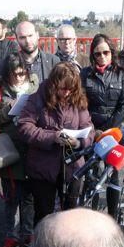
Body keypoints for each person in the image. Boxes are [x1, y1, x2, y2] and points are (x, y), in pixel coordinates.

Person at [18, 62, 94, 224]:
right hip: (43, 168)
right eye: (63, 88)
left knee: (71, 215)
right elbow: (24, 127)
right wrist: (53, 137)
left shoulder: (78, 99)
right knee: (44, 215)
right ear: (53, 84)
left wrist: (79, 143)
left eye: (71, 89)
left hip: (73, 168)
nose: (67, 93)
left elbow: (89, 130)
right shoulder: (38, 97)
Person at [80, 34, 124, 220]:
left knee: (113, 175)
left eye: (106, 52)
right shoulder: (85, 74)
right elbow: (81, 104)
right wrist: (94, 131)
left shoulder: (122, 73)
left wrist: (108, 132)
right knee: (91, 175)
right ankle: (91, 218)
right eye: (97, 53)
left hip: (114, 131)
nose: (102, 57)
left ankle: (112, 216)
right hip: (92, 130)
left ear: (112, 52)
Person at [0, 56, 39, 247]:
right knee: (11, 198)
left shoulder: (35, 86)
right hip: (8, 150)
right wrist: (9, 112)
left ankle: (27, 233)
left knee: (29, 197)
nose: (20, 77)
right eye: (15, 74)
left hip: (31, 149)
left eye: (23, 73)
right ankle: (11, 236)